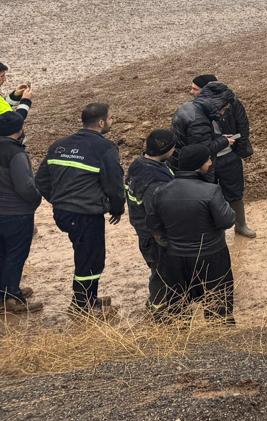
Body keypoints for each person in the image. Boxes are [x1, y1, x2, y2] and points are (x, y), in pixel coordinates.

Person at [35, 102, 124, 316]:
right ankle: (83, 305)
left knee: (86, 254)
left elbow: (41, 180)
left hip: (64, 213)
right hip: (85, 214)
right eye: (111, 118)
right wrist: (117, 208)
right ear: (101, 122)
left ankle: (87, 297)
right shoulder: (105, 148)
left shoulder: (59, 144)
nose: (112, 121)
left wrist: (58, 200)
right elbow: (114, 183)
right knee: (90, 257)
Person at [146, 144, 235, 319]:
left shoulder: (160, 192)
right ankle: (221, 339)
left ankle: (184, 341)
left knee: (178, 307)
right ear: (199, 165)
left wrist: (168, 244)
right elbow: (227, 220)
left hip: (174, 259)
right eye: (208, 159)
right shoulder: (211, 191)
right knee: (218, 305)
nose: (210, 162)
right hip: (211, 257)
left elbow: (153, 225)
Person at [173, 78, 255, 239]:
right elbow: (202, 150)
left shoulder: (229, 104)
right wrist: (223, 141)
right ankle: (213, 232)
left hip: (229, 156)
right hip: (205, 163)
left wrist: (240, 149)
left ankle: (241, 225)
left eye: (195, 89)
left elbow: (243, 125)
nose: (225, 110)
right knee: (207, 196)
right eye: (223, 108)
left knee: (235, 192)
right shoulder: (196, 117)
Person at [125, 129, 177, 309]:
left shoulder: (139, 164)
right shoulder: (154, 181)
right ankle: (159, 309)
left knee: (159, 271)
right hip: (154, 237)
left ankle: (158, 302)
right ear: (168, 150)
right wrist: (165, 240)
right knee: (162, 272)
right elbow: (155, 215)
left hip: (143, 229)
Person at [0, 109, 41, 314]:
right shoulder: (16, 152)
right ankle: (12, 297)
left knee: (2, 254)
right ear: (19, 130)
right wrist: (36, 199)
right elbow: (24, 186)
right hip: (16, 213)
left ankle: (4, 293)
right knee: (15, 255)